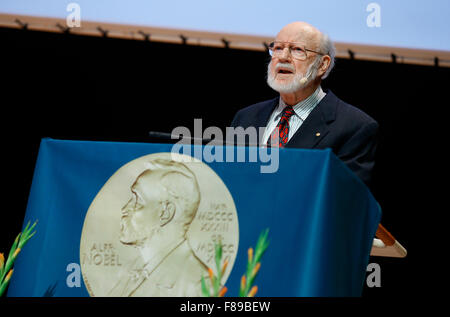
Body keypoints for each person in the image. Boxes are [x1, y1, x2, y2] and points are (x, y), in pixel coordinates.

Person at [231, 22, 378, 186]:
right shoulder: (246, 117)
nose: (283, 57)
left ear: (323, 64)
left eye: (297, 50)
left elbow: (345, 198)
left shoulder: (355, 127)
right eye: (278, 48)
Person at [108, 159, 208, 296]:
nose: (125, 208)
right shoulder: (132, 271)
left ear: (165, 213)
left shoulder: (201, 288)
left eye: (137, 200)